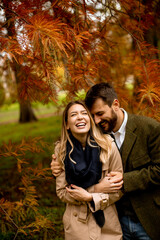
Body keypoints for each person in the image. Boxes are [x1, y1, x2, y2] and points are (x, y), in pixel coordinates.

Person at [51, 83, 160, 240]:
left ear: (115, 104)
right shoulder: (96, 132)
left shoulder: (149, 129)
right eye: (93, 115)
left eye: (100, 113)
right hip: (116, 218)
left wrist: (125, 180)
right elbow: (72, 167)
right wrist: (57, 166)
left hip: (146, 218)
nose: (96, 120)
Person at [54, 100, 123, 240]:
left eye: (84, 113)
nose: (80, 117)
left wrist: (91, 197)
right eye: (73, 114)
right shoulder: (61, 150)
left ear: (90, 120)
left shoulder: (108, 146)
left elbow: (119, 189)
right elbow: (62, 192)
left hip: (107, 225)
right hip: (76, 226)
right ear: (67, 124)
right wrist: (96, 189)